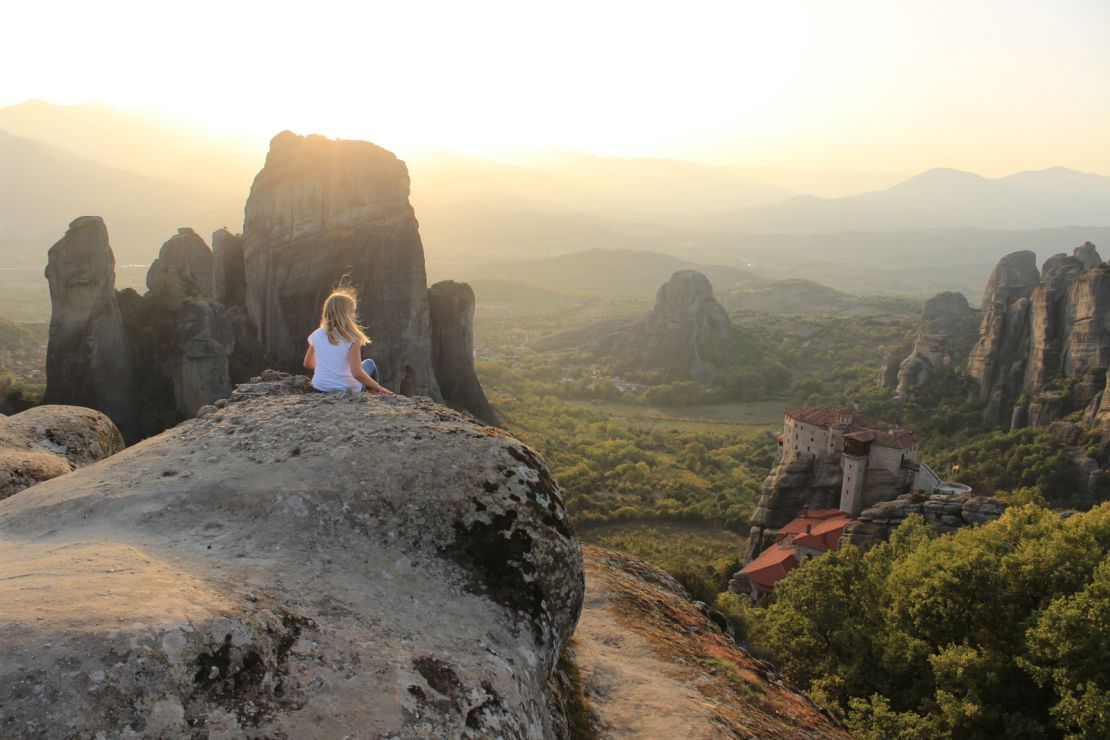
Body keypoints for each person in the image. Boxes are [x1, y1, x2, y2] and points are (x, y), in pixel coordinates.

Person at [303, 285, 394, 396]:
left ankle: (371, 392)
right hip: (347, 390)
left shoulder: (316, 334)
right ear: (344, 314)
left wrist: (329, 366)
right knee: (370, 364)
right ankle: (373, 393)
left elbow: (308, 363)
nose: (354, 315)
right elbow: (356, 373)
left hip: (319, 388)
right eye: (352, 311)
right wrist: (377, 386)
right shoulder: (352, 338)